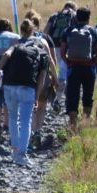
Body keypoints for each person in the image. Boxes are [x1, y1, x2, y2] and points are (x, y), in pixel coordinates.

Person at [0, 19, 49, 166]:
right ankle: (22, 154)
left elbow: (6, 54)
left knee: (13, 118)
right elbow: (42, 76)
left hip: (10, 85)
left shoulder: (16, 45)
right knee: (26, 121)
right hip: (27, 88)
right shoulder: (41, 48)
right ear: (33, 31)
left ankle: (14, 150)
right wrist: (37, 96)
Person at [60, 7, 97, 128]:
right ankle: (85, 123)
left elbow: (62, 52)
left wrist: (68, 62)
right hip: (89, 68)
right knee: (87, 95)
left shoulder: (68, 31)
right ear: (88, 18)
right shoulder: (94, 31)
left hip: (73, 68)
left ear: (76, 17)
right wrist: (92, 62)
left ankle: (73, 125)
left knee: (72, 95)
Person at [24, 11, 59, 148]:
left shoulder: (21, 41)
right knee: (42, 105)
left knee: (29, 106)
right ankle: (37, 131)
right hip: (43, 76)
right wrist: (55, 78)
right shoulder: (44, 39)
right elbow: (51, 60)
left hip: (27, 77)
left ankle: (31, 131)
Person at [45, 1, 77, 111]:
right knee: (63, 73)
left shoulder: (55, 16)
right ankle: (57, 101)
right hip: (67, 46)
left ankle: (62, 97)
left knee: (60, 70)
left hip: (54, 46)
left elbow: (46, 31)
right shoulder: (74, 15)